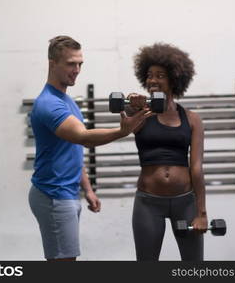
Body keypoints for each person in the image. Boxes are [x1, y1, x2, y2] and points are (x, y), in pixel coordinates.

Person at [28, 35, 152, 261]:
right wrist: (122, 132)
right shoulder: (49, 104)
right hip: (54, 194)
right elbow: (84, 137)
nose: (76, 69)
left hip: (65, 192)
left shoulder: (67, 100)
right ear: (52, 64)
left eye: (80, 64)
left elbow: (72, 149)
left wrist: (87, 189)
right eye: (70, 63)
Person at [126, 42, 207, 261]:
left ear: (174, 79)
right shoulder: (140, 115)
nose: (153, 80)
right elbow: (126, 123)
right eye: (150, 75)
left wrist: (201, 213)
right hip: (148, 202)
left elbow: (197, 169)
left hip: (185, 201)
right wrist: (131, 106)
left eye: (160, 75)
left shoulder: (192, 119)